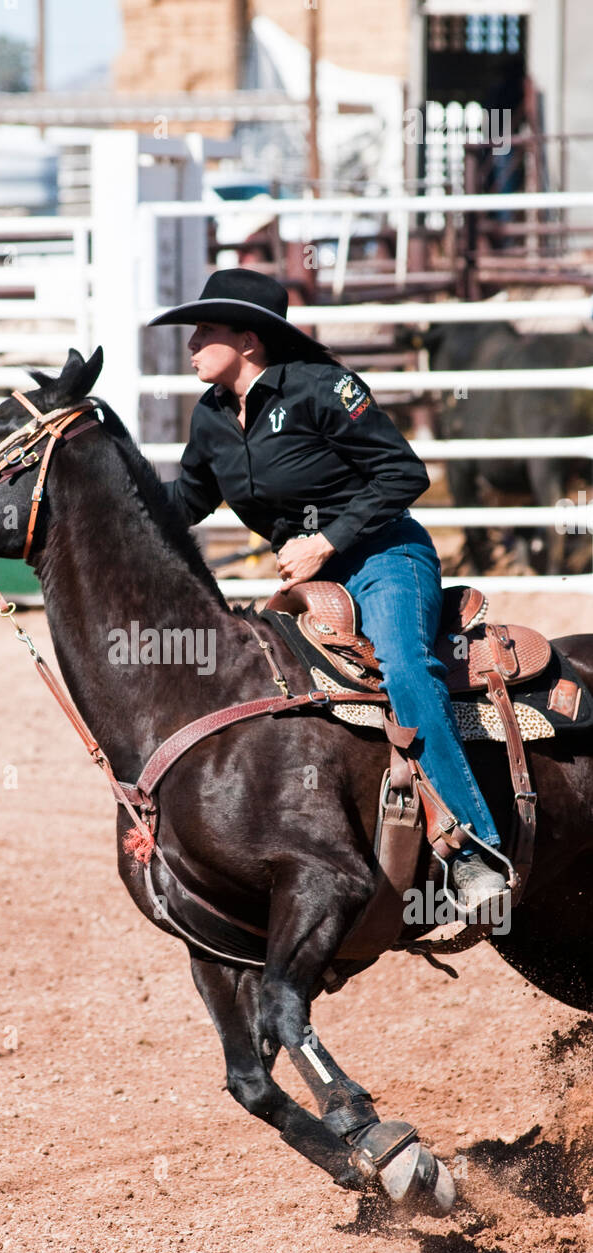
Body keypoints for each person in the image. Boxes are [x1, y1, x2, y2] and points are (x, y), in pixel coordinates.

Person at [149, 267, 508, 912]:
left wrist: (327, 541)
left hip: (383, 556)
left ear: (249, 339)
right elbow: (187, 501)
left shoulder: (323, 388)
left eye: (205, 328)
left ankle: (476, 849)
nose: (191, 341)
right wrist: (109, 487)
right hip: (307, 581)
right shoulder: (210, 418)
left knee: (404, 666)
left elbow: (403, 471)